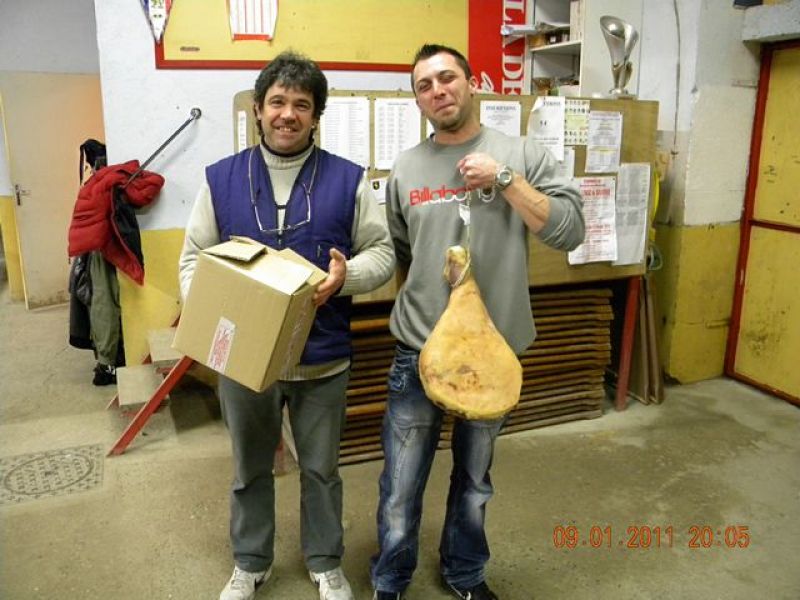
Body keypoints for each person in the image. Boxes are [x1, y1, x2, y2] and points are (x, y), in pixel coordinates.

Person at [369, 44, 585, 600]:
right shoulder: (406, 167)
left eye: (447, 78)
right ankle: (390, 580)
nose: (437, 91)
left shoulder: (521, 153)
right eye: (424, 85)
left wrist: (505, 178)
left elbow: (569, 230)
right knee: (400, 483)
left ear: (471, 83)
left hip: (494, 356)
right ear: (418, 100)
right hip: (418, 350)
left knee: (473, 481)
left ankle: (464, 574)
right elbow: (402, 252)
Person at [179, 51, 395, 600]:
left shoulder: (348, 180)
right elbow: (193, 260)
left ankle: (325, 562)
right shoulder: (221, 179)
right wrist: (209, 314)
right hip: (244, 360)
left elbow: (382, 254)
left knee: (322, 470)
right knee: (250, 469)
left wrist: (345, 278)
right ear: (258, 109)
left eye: (302, 104)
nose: (287, 114)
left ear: (316, 115)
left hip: (323, 360)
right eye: (277, 101)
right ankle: (250, 562)